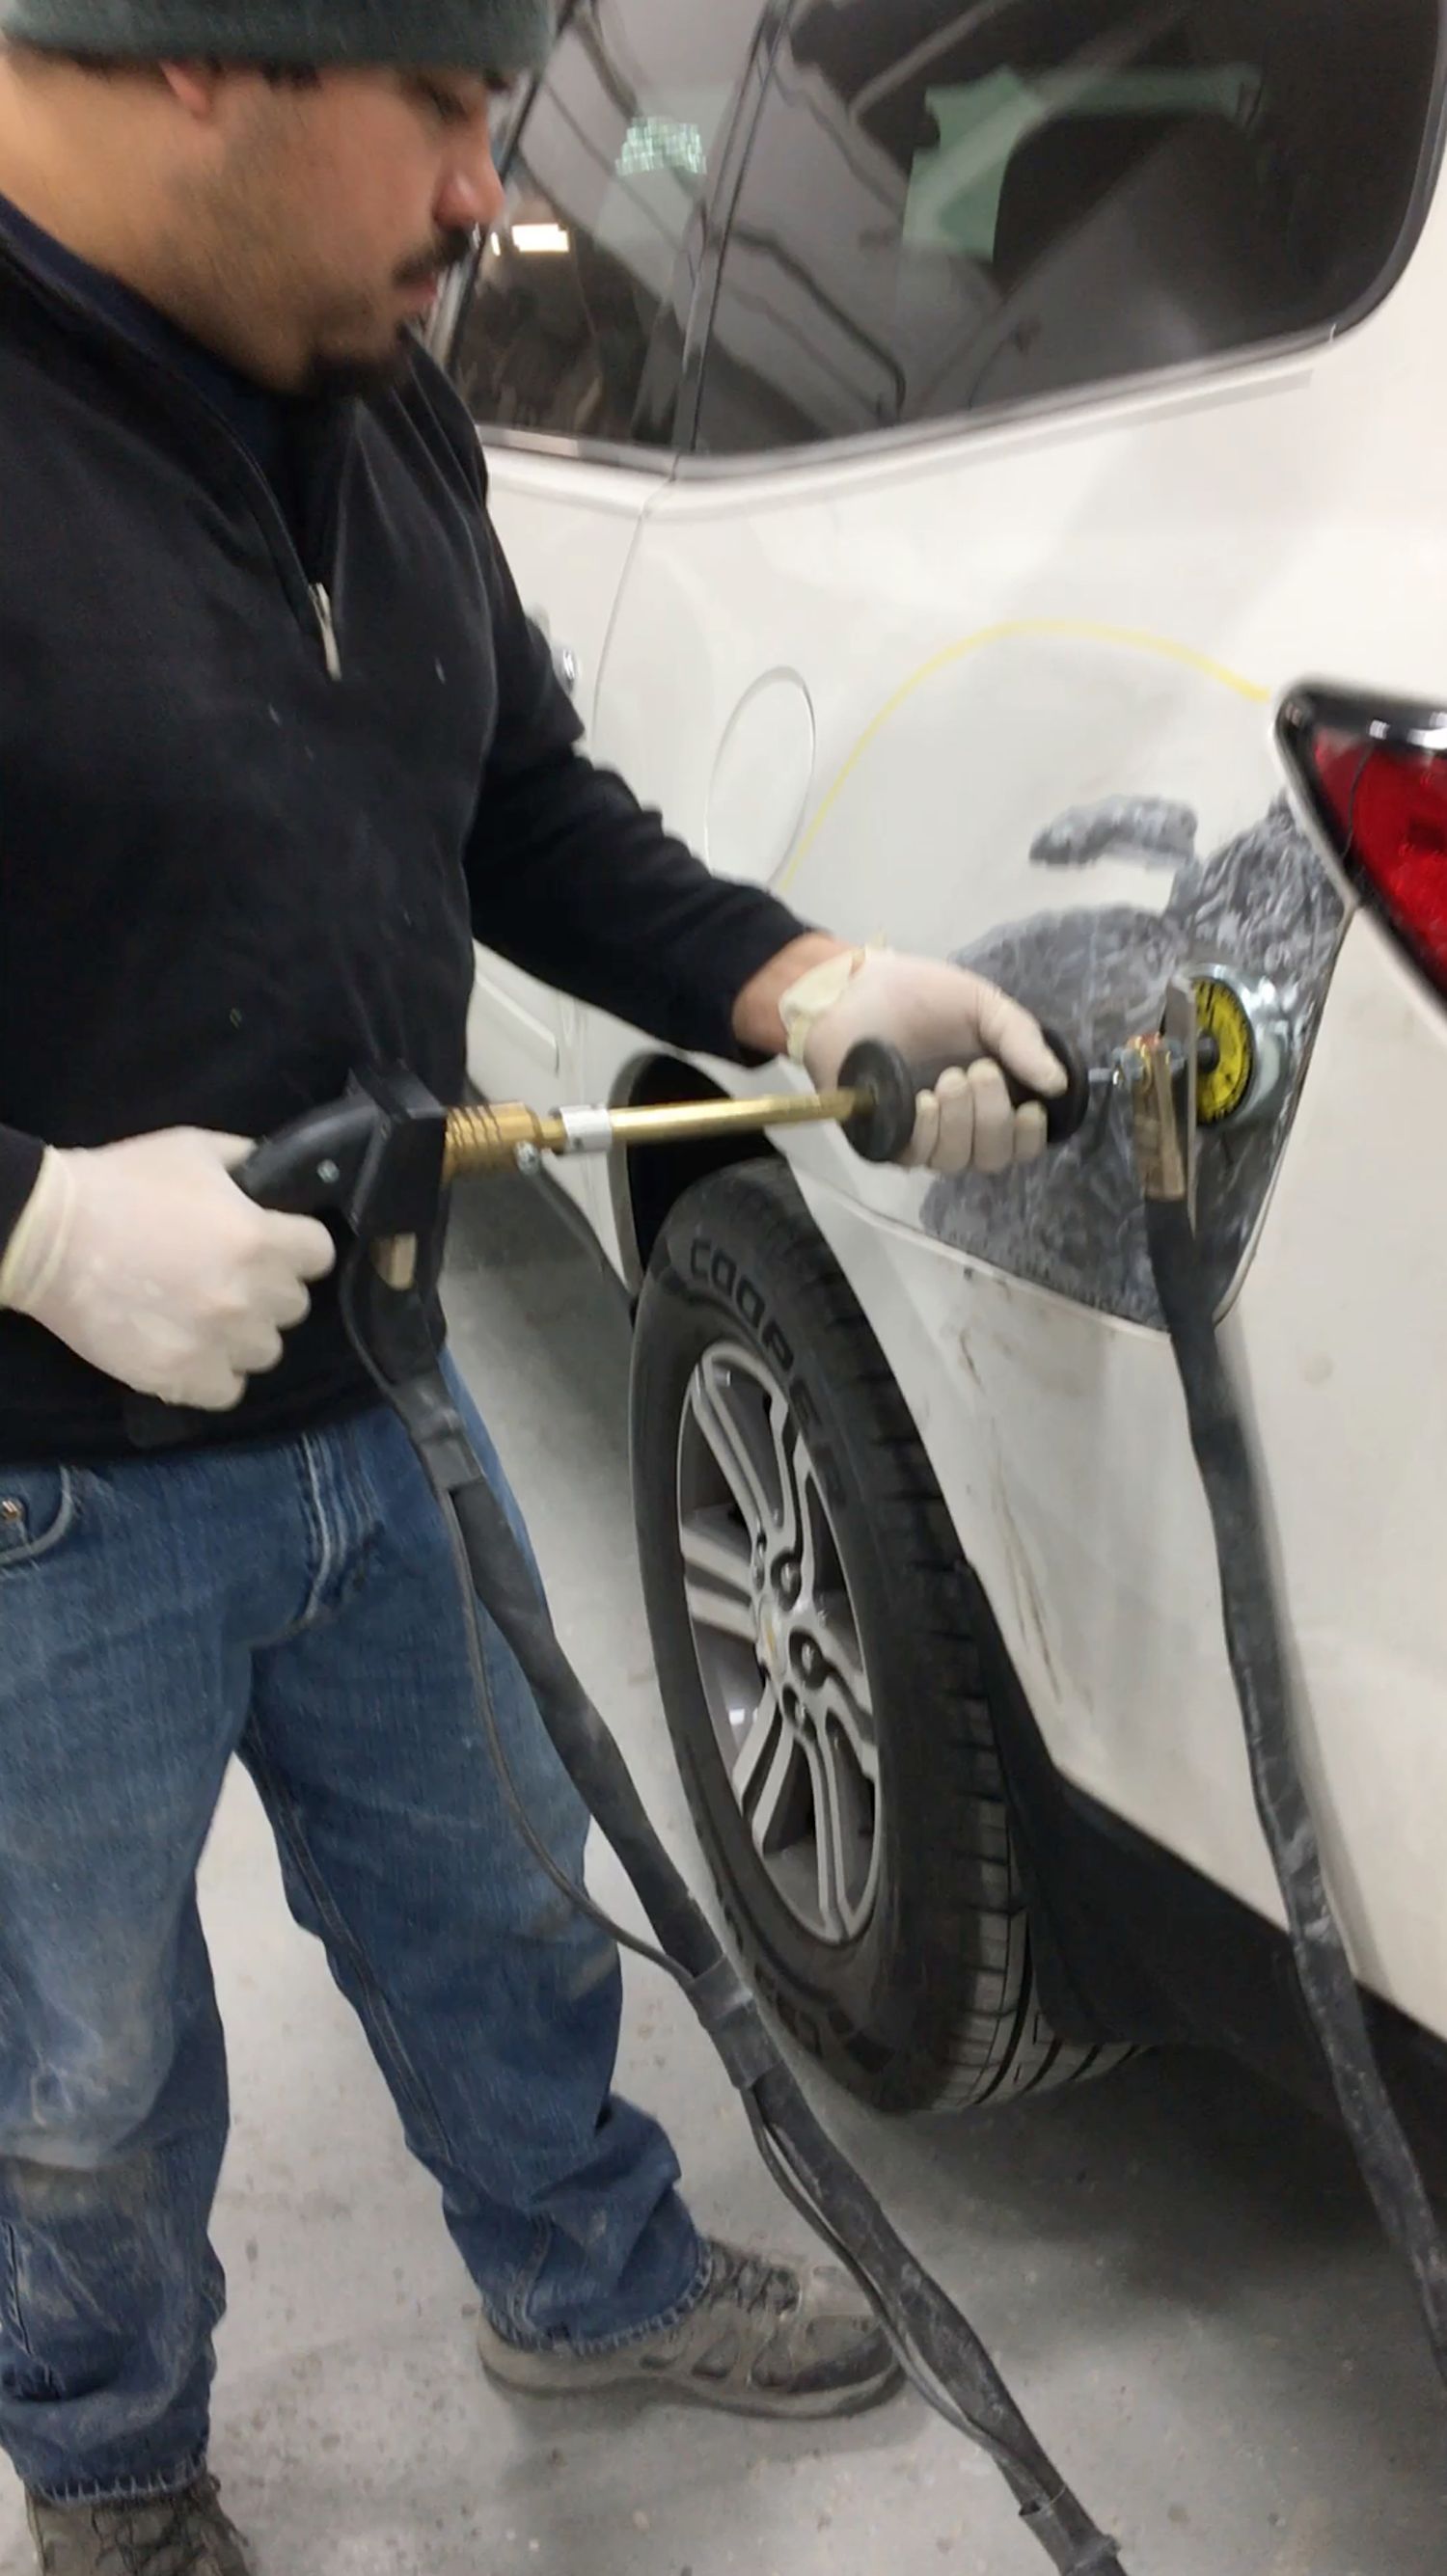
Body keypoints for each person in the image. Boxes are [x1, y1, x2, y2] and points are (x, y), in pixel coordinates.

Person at [0, 6, 1066, 2569]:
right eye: (453, 109)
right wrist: (28, 1221)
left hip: (374, 1388)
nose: (494, 190)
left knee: (497, 1898)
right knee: (81, 2070)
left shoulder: (362, 388)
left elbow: (521, 806)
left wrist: (794, 982)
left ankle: (575, 2277)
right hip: (44, 1518)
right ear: (203, 70)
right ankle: (111, 2459)